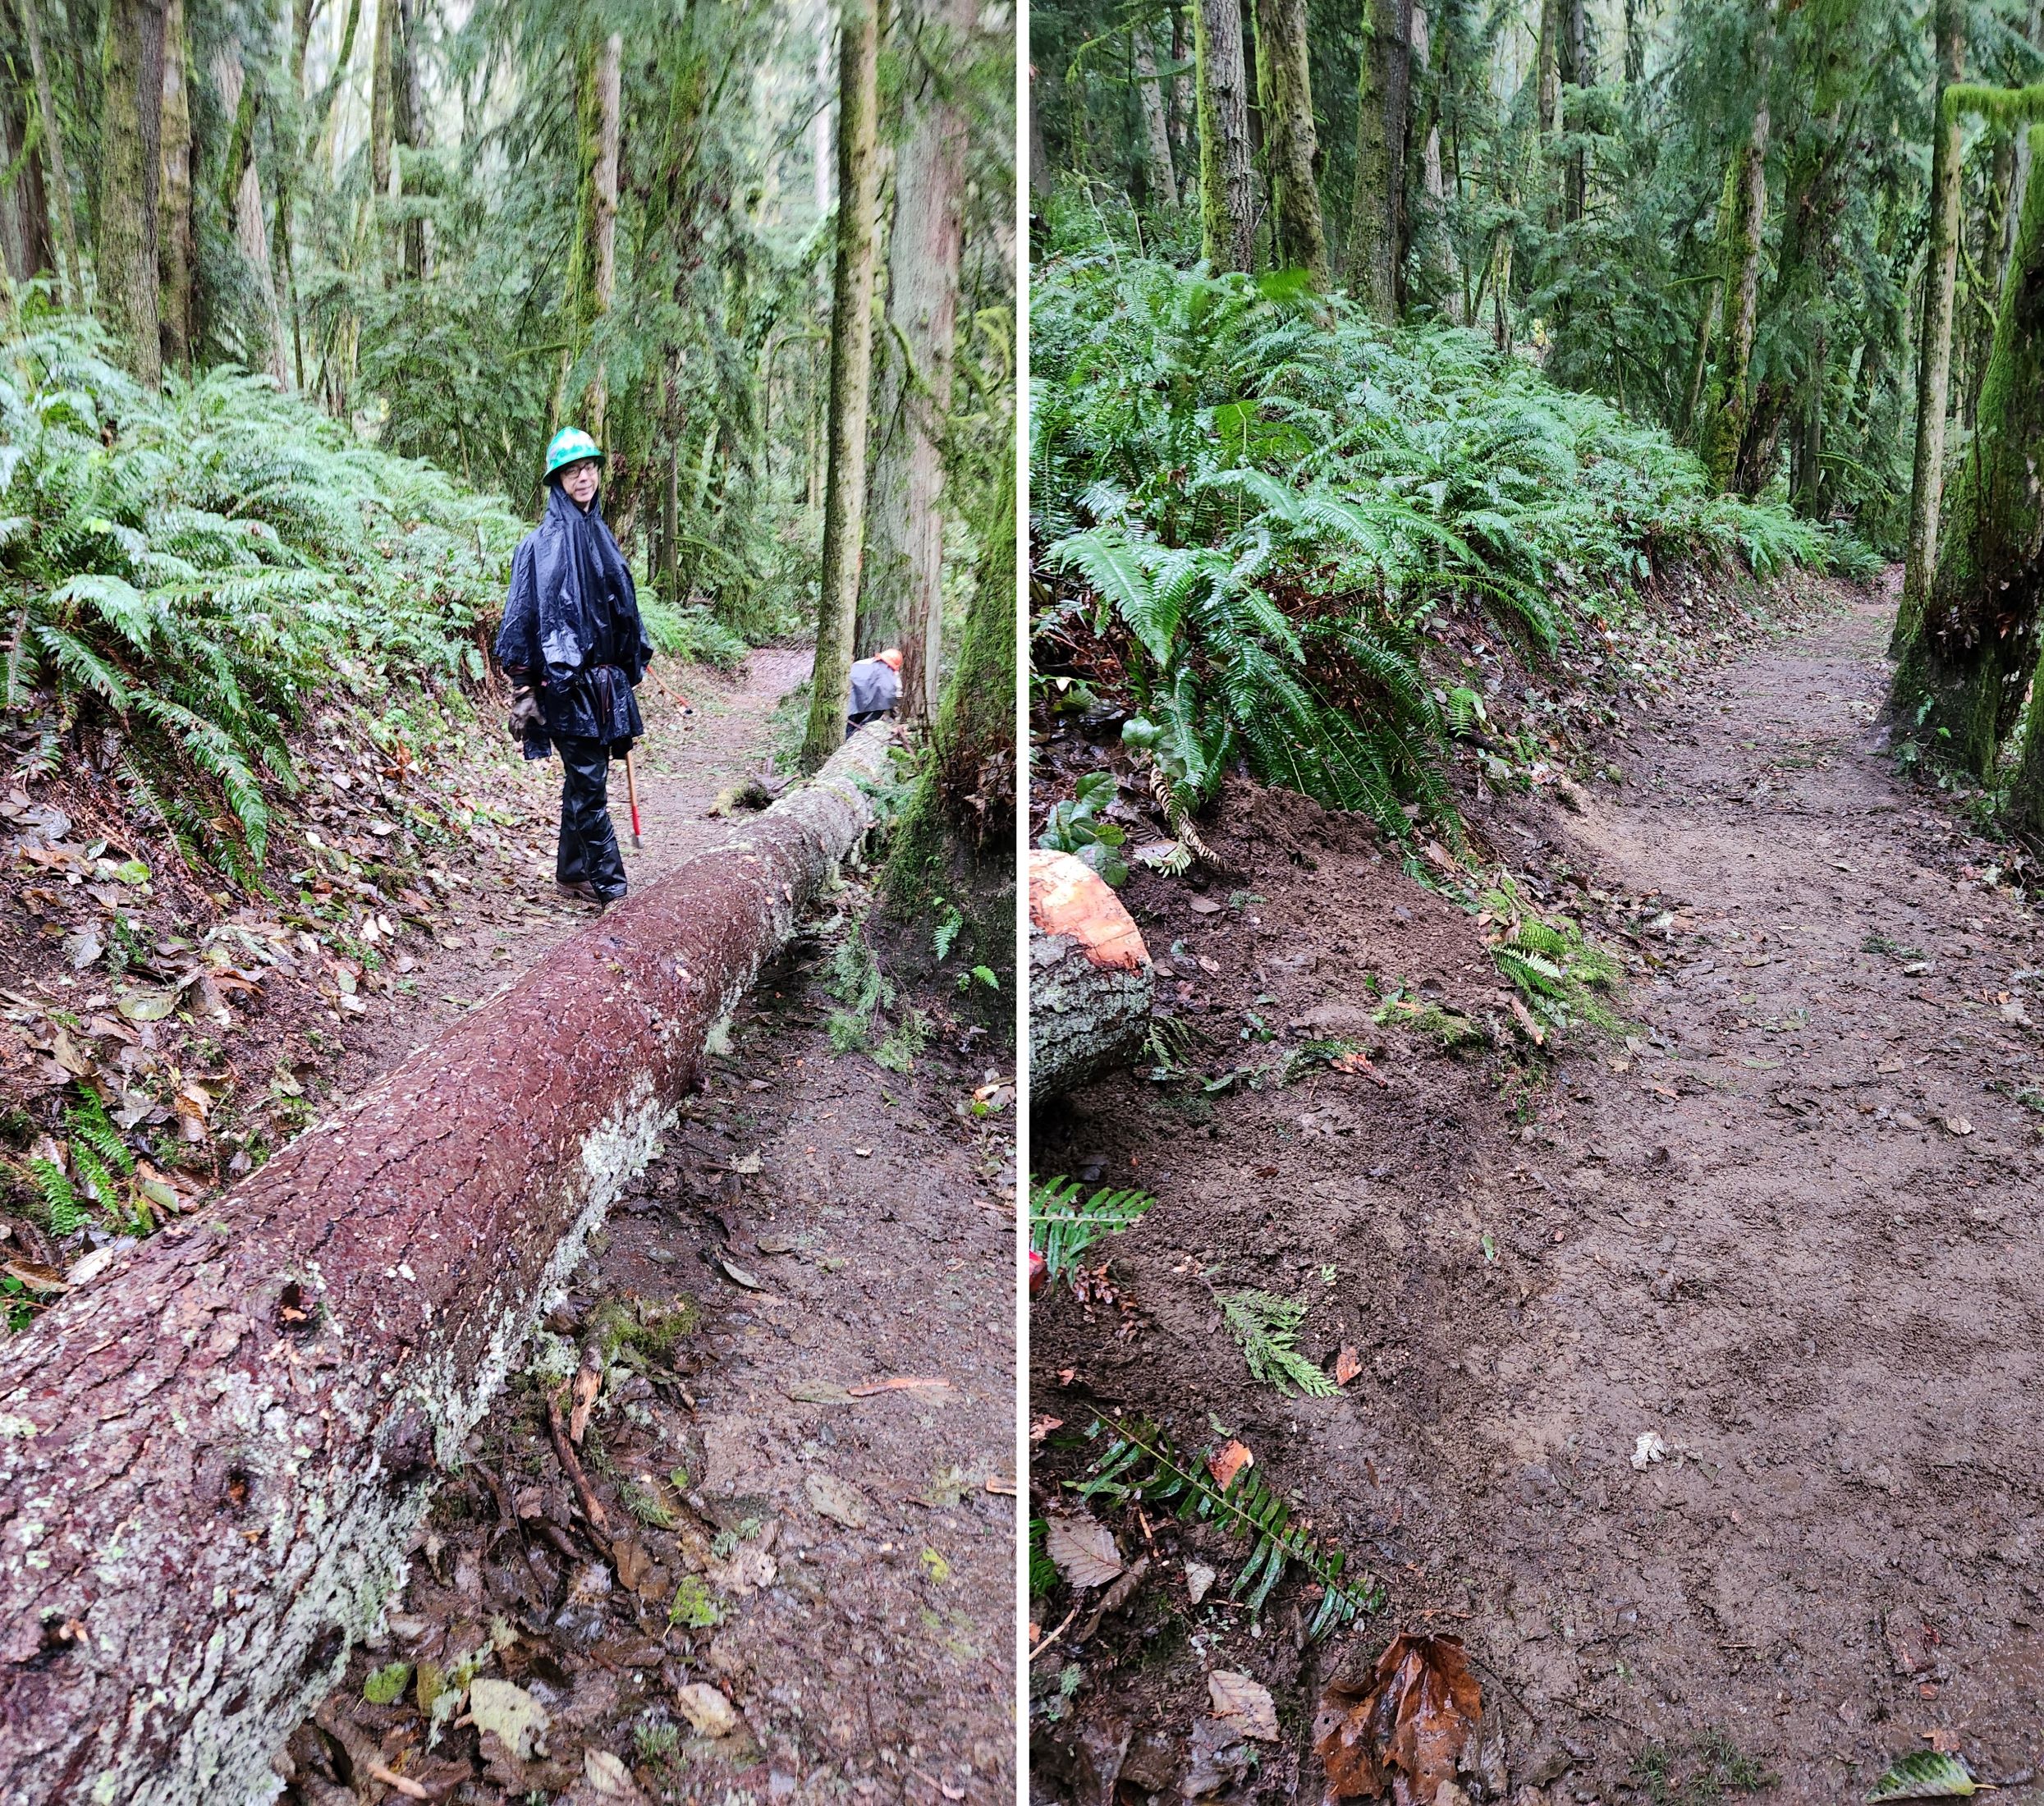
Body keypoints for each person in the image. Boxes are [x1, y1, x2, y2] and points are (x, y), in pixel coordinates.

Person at [495, 427, 654, 910]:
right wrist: (524, 689)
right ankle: (614, 892)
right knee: (589, 787)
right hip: (565, 689)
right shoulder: (537, 546)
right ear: (557, 481)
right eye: (571, 471)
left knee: (587, 781)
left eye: (588, 468)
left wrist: (629, 665)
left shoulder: (603, 535)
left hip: (606, 686)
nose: (583, 477)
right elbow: (521, 617)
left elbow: (623, 611)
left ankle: (571, 871)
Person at [846, 646, 903, 737]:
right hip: (871, 710)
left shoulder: (862, 664)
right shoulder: (894, 677)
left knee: (847, 728)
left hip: (852, 704)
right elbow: (896, 696)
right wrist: (895, 718)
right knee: (858, 730)